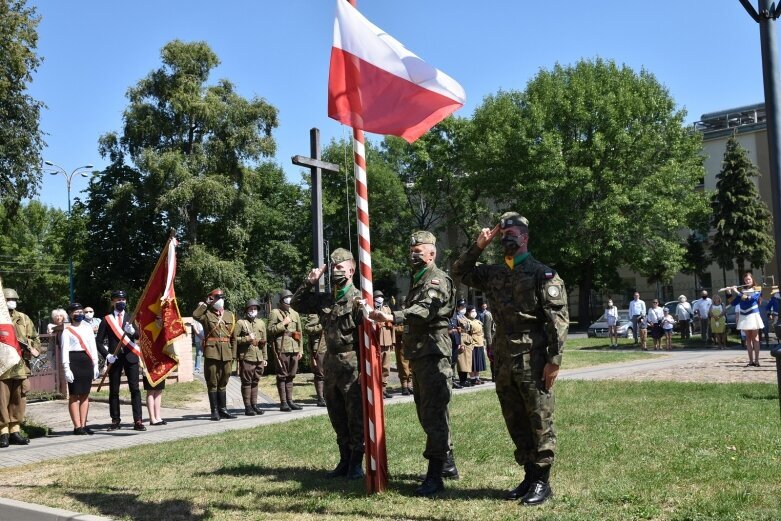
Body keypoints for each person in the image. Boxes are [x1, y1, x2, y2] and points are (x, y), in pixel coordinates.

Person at [452, 212, 568, 506]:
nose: (506, 236)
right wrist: (478, 245)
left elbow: (558, 321)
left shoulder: (543, 274)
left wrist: (553, 361)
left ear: (525, 237)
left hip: (533, 355)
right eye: (502, 233)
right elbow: (459, 272)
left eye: (513, 232)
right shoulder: (493, 273)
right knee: (514, 418)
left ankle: (543, 480)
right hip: (503, 356)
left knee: (538, 417)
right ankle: (529, 475)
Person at [370, 231, 459, 496]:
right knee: (428, 411)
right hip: (421, 353)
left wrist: (391, 316)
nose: (414, 256)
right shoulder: (418, 279)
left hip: (433, 353)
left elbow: (424, 311)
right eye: (412, 252)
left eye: (419, 252)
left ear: (432, 253)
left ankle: (435, 475)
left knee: (433, 413)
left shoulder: (436, 279)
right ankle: (448, 464)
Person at [293, 248, 366, 480]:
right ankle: (344, 460)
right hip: (331, 363)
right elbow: (296, 303)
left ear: (351, 270)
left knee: (354, 414)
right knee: (336, 414)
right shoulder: (327, 298)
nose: (336, 271)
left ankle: (356, 463)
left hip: (352, 364)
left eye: (340, 267)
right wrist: (309, 282)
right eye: (333, 268)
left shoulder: (358, 299)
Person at [96, 290, 145, 431]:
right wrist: (107, 355)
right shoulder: (107, 319)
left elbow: (138, 335)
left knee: (135, 389)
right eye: (117, 300)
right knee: (114, 390)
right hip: (114, 358)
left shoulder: (131, 317)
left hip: (131, 356)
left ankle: (138, 421)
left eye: (123, 300)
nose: (121, 302)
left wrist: (132, 332)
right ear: (112, 302)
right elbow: (98, 342)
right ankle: (115, 420)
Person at [1, 288, 41, 447]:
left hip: (20, 366)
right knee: (1, 400)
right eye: (9, 299)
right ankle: (3, 432)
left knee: (19, 399)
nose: (12, 302)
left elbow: (35, 338)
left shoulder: (23, 318)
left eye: (14, 300)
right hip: (2, 367)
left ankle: (15, 431)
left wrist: (34, 348)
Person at [192, 288, 238, 421]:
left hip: (227, 353)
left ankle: (223, 409)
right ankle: (214, 411)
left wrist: (233, 355)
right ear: (212, 300)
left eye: (222, 298)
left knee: (224, 381)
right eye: (217, 298)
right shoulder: (207, 315)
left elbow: (233, 338)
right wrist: (206, 303)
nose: (220, 300)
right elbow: (195, 315)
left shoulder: (230, 315)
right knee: (212, 382)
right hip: (212, 352)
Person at [61, 303, 99, 435]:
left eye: (81, 311)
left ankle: (84, 424)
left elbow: (92, 346)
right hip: (74, 361)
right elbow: (64, 351)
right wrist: (66, 368)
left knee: (85, 394)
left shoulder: (87, 328)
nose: (79, 314)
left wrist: (95, 365)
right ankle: (77, 426)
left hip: (86, 361)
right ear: (70, 314)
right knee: (74, 395)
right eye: (76, 312)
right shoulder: (67, 331)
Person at [268, 290, 303, 412]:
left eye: (290, 297)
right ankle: (283, 403)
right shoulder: (275, 312)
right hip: (281, 348)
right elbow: (270, 330)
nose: (289, 299)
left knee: (291, 376)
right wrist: (283, 323)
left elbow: (299, 333)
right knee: (282, 375)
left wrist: (300, 350)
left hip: (294, 348)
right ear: (282, 300)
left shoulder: (295, 313)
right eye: (286, 297)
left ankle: (290, 401)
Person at [236, 299, 268, 416]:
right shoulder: (241, 323)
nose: (253, 311)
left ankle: (254, 404)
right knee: (247, 382)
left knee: (255, 382)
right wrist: (247, 339)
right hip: (247, 357)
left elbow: (264, 342)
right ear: (246, 310)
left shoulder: (261, 323)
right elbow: (235, 340)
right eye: (251, 309)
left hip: (258, 357)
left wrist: (265, 358)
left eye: (255, 309)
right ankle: (247, 407)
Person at [730, 272, 764, 367]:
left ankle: (757, 360)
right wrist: (729, 292)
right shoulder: (742, 291)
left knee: (755, 338)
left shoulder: (757, 289)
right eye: (745, 280)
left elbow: (750, 299)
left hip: (753, 315)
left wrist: (737, 292)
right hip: (744, 316)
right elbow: (733, 303)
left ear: (752, 279)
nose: (747, 281)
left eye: (749, 279)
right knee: (748, 339)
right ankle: (750, 361)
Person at [374, 290, 396, 399]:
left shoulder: (387, 309)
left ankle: (384, 389)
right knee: (376, 367)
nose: (379, 299)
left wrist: (393, 341)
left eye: (381, 297)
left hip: (387, 341)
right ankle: (377, 389)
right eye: (377, 297)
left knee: (386, 367)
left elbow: (392, 326)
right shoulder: (372, 310)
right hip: (376, 342)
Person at [304, 313, 327, 407]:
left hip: (331, 347)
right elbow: (307, 329)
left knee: (330, 375)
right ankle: (321, 398)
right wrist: (321, 326)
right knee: (320, 375)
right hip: (319, 349)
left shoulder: (331, 313)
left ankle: (328, 396)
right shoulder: (314, 315)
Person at [455, 301, 473, 388]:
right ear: (458, 308)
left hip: (467, 340)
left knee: (467, 362)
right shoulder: (456, 317)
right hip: (461, 339)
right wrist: (460, 343)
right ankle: (462, 380)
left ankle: (465, 380)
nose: (463, 309)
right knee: (462, 362)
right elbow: (458, 330)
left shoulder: (464, 316)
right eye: (462, 307)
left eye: (464, 307)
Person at [467, 306, 487, 385]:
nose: (474, 313)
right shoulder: (467, 321)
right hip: (472, 344)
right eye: (472, 311)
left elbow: (482, 333)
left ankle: (477, 378)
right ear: (468, 312)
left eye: (475, 311)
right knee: (472, 363)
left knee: (478, 363)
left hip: (480, 343)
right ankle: (472, 379)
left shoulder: (478, 321)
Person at [394, 319, 413, 396]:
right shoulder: (396, 309)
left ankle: (409, 386)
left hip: (411, 341)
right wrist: (408, 329)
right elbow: (394, 328)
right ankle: (404, 387)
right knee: (403, 365)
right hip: (401, 343)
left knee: (411, 365)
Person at [478, 302, 496, 381]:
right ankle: (494, 376)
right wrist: (489, 343)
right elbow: (487, 330)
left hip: (499, 339)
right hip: (492, 340)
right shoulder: (488, 315)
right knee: (493, 359)